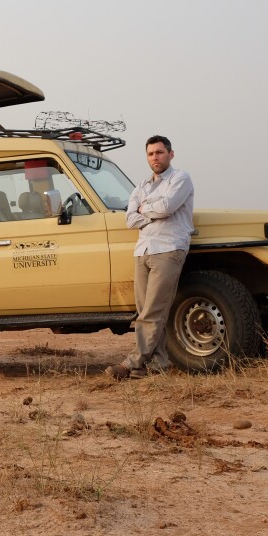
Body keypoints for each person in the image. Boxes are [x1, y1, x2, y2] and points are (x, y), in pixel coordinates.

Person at [106, 135, 194, 380]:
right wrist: (151, 211)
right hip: (143, 250)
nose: (155, 157)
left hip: (168, 248)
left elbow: (168, 207)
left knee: (153, 311)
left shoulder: (180, 178)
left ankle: (132, 362)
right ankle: (158, 364)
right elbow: (129, 218)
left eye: (160, 152)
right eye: (151, 154)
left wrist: (146, 209)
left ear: (170, 154)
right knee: (145, 310)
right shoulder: (142, 185)